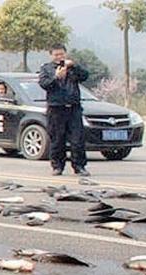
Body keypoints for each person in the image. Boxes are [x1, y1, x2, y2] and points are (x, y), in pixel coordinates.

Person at [38, 44, 90, 177]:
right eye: (56, 55)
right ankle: (57, 166)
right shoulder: (46, 68)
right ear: (51, 55)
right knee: (57, 139)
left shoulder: (72, 67)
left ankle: (79, 166)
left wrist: (74, 66)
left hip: (73, 107)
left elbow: (85, 76)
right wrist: (56, 77)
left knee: (77, 139)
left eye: (61, 54)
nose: (59, 57)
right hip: (56, 108)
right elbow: (44, 84)